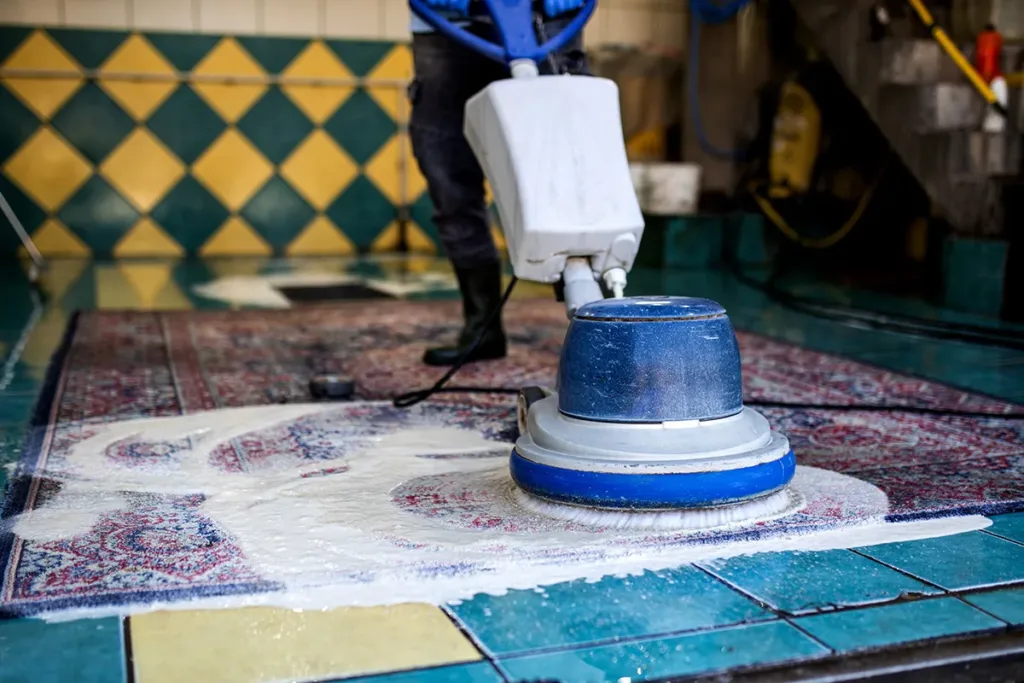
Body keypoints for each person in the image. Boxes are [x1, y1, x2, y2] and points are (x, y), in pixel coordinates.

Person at [409, 0, 586, 366]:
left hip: (548, 14)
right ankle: (482, 326)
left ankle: (599, 322)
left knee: (568, 164)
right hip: (445, 16)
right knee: (445, 163)